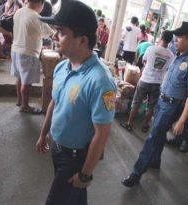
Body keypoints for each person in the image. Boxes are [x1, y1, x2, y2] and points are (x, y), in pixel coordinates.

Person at [36, 1, 116, 204]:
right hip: (58, 146)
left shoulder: (100, 82)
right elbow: (55, 102)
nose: (54, 36)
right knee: (73, 197)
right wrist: (44, 133)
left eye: (61, 31)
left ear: (82, 40)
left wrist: (85, 174)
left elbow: (102, 132)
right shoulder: (62, 67)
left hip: (75, 157)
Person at [121, 22, 188, 187]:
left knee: (152, 138)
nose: (176, 40)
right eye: (175, 37)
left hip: (172, 106)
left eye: (179, 37)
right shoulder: (176, 55)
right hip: (162, 100)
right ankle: (155, 160)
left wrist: (181, 120)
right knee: (157, 134)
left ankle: (136, 173)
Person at [120, 30, 174, 132]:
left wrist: (149, 66)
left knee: (136, 102)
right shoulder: (171, 55)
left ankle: (129, 124)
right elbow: (168, 69)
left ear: (161, 37)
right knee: (151, 105)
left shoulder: (151, 49)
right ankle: (145, 126)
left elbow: (144, 61)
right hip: (158, 83)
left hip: (145, 80)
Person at [10, 0, 54, 114]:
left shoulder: (19, 12)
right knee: (26, 82)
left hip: (15, 50)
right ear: (40, 3)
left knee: (19, 78)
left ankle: (20, 100)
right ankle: (25, 106)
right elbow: (49, 34)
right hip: (28, 53)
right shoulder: (37, 17)